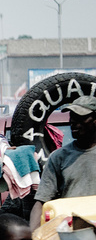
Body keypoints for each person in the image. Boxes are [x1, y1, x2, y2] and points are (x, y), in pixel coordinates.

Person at [29, 95, 96, 230]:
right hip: (71, 232)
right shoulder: (59, 157)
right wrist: (34, 238)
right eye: (72, 116)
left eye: (81, 117)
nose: (73, 122)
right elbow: (42, 201)